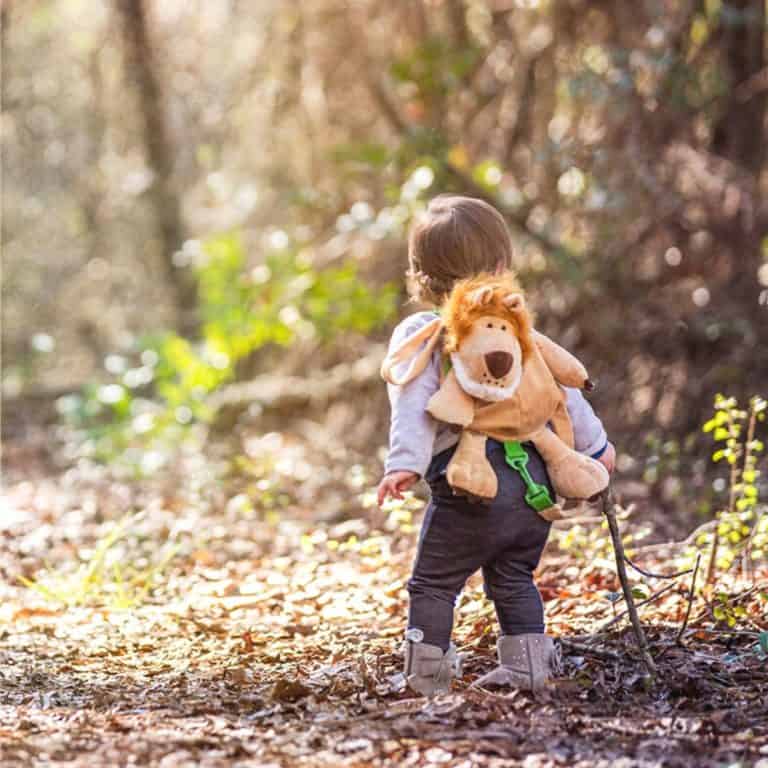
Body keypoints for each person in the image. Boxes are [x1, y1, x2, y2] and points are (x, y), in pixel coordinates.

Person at [377, 195, 615, 696]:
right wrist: (597, 453)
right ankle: (529, 667)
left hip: (471, 490)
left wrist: (404, 465)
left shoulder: (425, 333)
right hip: (533, 489)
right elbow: (564, 396)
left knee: (433, 584)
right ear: (504, 266)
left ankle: (426, 675)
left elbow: (412, 406)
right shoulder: (520, 334)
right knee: (512, 575)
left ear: (419, 274)